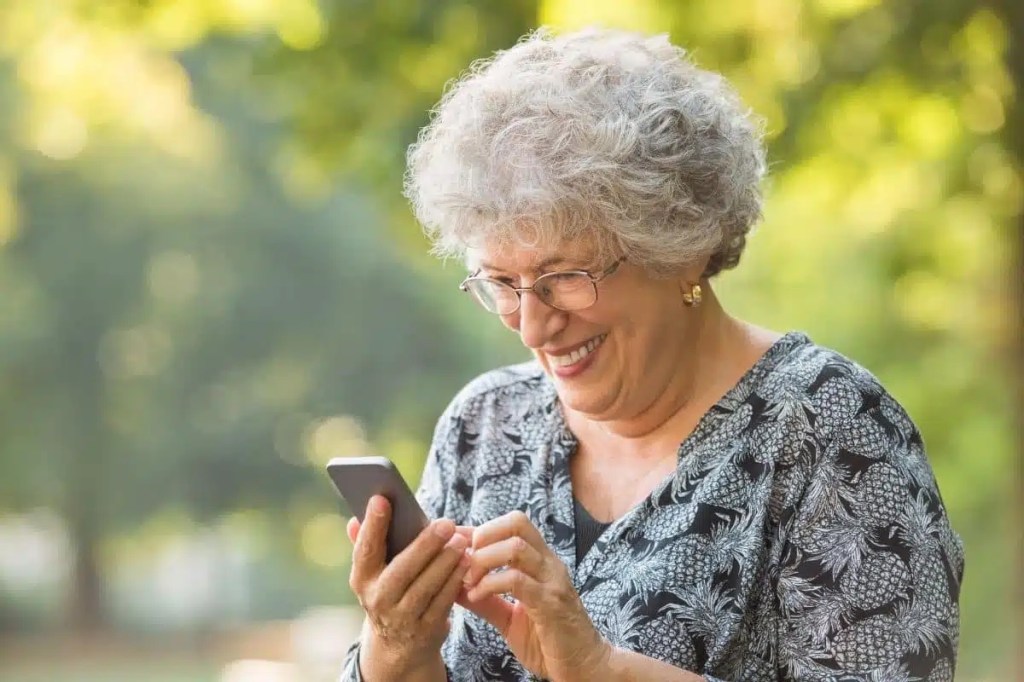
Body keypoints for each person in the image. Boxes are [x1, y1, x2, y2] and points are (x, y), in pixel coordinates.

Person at [338, 27, 964, 682]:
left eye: (564, 279)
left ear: (679, 248)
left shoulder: (832, 430)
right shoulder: (485, 426)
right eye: (502, 284)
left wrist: (605, 672)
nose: (531, 327)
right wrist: (395, 653)